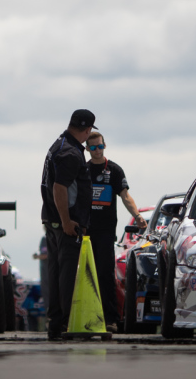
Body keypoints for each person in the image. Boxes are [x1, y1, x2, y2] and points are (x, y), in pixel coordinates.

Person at [39, 108, 95, 340]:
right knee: (67, 274)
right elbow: (59, 188)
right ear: (87, 130)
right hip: (64, 223)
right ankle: (63, 324)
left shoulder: (58, 145)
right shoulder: (71, 153)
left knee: (56, 272)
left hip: (52, 221)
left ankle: (55, 323)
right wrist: (67, 221)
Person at [84, 130, 145, 334]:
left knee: (105, 274)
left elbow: (125, 196)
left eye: (100, 146)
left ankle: (110, 319)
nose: (97, 150)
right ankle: (84, 318)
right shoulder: (82, 170)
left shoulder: (115, 170)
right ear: (87, 149)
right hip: (84, 232)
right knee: (84, 275)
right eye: (93, 147)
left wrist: (137, 216)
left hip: (105, 232)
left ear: (105, 145)